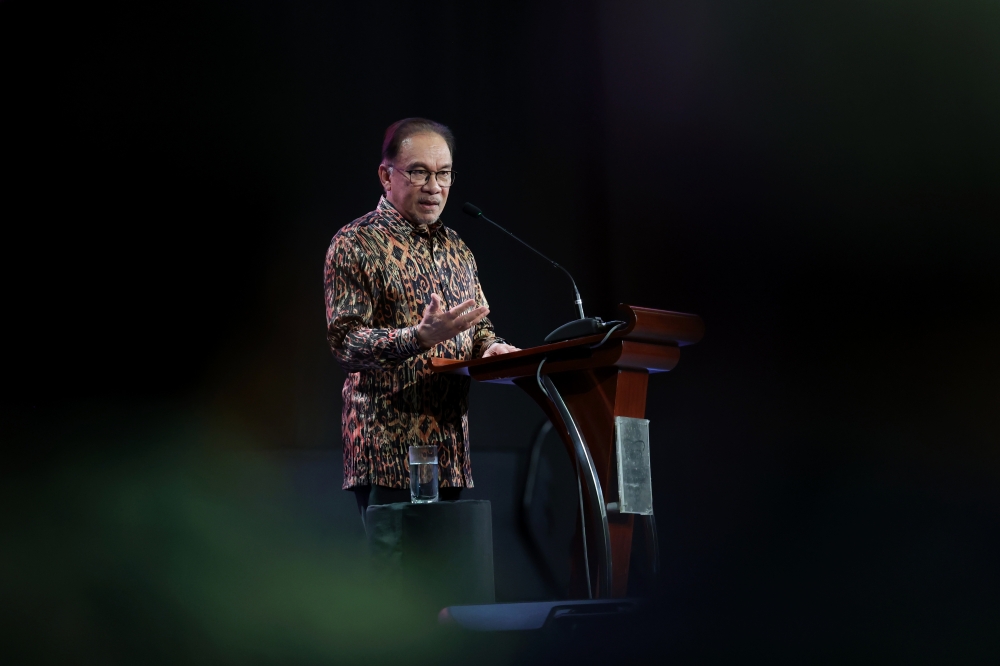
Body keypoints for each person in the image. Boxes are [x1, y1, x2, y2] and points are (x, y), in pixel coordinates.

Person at [324, 118, 519, 527]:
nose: (434, 186)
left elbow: (477, 326)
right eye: (419, 172)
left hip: (448, 451)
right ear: (386, 175)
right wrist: (417, 337)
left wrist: (491, 348)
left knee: (452, 582)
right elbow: (346, 342)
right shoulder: (354, 243)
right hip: (387, 451)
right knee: (398, 588)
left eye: (443, 173)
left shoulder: (458, 249)